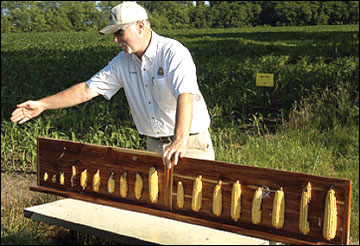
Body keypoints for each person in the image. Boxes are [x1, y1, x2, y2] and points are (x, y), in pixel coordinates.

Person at [10, 1, 215, 169]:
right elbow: (85, 90)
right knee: (159, 212)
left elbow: (185, 96)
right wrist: (43, 105)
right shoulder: (121, 62)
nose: (115, 39)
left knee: (198, 211)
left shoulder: (173, 53)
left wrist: (179, 139)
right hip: (154, 147)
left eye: (119, 32)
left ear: (140, 26)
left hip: (190, 144)